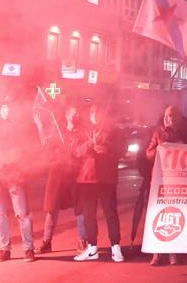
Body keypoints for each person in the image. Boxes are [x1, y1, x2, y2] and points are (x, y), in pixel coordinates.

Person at [72, 103, 125, 263]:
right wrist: (90, 144)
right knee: (89, 215)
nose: (95, 114)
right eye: (92, 111)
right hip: (87, 178)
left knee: (111, 214)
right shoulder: (83, 130)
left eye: (98, 111)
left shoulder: (114, 130)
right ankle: (92, 247)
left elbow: (122, 149)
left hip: (106, 178)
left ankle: (116, 247)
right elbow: (76, 151)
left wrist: (107, 148)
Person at [0, 98, 36, 262]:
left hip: (14, 174)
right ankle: (4, 249)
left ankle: (28, 249)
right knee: (0, 213)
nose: (6, 110)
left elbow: (27, 150)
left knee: (21, 213)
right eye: (3, 107)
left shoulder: (20, 128)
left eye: (9, 107)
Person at [141, 106, 187, 266]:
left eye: (173, 115)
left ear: (179, 118)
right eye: (167, 115)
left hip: (177, 181)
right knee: (157, 215)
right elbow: (148, 154)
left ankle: (173, 252)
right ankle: (156, 253)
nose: (170, 118)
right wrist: (159, 149)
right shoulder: (158, 133)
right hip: (159, 180)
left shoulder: (185, 134)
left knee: (174, 216)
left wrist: (182, 147)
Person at [37, 104, 86, 254]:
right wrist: (41, 129)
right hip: (58, 173)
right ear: (66, 114)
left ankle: (82, 240)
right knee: (52, 209)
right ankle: (47, 241)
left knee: (80, 208)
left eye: (76, 114)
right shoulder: (58, 131)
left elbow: (82, 151)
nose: (74, 116)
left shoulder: (82, 132)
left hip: (75, 173)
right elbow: (48, 149)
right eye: (72, 113)